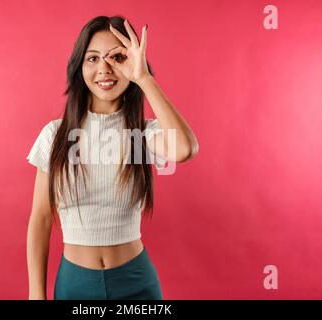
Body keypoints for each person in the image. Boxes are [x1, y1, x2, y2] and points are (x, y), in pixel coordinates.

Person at [26, 15, 198, 300]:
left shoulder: (143, 133)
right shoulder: (55, 135)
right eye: (92, 59)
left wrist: (143, 78)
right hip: (74, 283)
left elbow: (184, 148)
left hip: (136, 282)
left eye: (116, 58)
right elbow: (41, 219)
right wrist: (36, 293)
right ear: (79, 67)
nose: (104, 69)